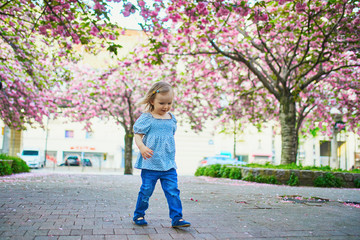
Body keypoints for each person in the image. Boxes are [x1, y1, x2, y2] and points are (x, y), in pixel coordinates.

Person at [132, 81, 191, 228]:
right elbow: (137, 135)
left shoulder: (172, 118)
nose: (166, 106)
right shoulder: (147, 118)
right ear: (152, 101)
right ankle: (139, 214)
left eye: (169, 103)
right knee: (146, 191)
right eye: (162, 103)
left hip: (168, 165)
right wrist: (142, 147)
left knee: (173, 191)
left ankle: (177, 218)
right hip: (150, 164)